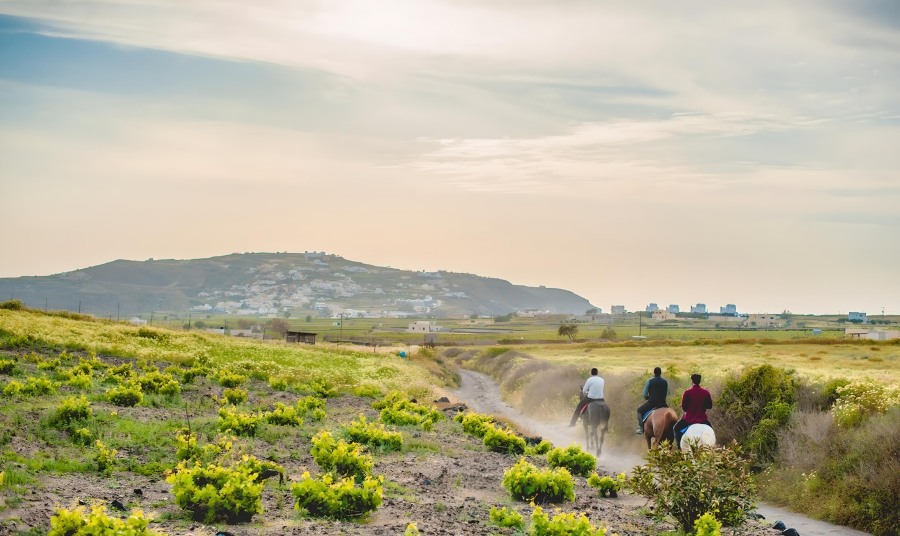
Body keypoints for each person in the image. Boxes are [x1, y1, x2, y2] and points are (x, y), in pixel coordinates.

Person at [673, 373, 713, 448]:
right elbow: (710, 406)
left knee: (675, 429)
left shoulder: (687, 392)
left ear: (692, 381)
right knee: (711, 431)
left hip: (689, 419)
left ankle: (679, 449)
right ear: (700, 381)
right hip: (702, 419)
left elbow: (684, 408)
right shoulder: (706, 392)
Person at [635, 366, 669, 433]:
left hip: (652, 403)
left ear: (654, 373)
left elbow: (644, 394)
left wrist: (648, 398)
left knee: (639, 411)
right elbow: (668, 393)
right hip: (663, 403)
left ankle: (641, 429)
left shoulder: (650, 381)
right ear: (660, 373)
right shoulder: (665, 381)